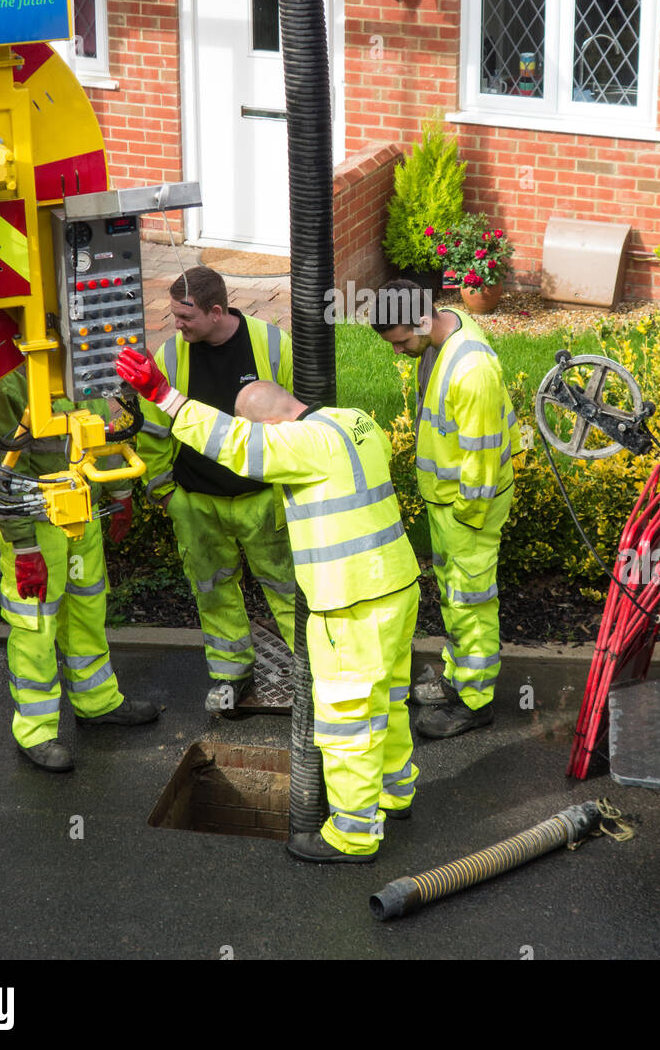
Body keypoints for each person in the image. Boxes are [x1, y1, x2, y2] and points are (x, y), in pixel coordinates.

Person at [117, 349, 421, 865]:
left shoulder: (301, 444)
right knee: (387, 698)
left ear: (274, 424)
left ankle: (352, 834)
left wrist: (162, 395)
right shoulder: (355, 421)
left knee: (347, 718)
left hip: (350, 603)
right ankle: (394, 793)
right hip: (396, 585)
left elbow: (236, 446)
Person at [135, 267, 297, 710]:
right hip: (197, 503)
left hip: (262, 500)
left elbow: (302, 418)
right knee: (213, 589)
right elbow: (153, 429)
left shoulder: (273, 345)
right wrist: (166, 492)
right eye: (174, 316)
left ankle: (315, 674)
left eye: (185, 317)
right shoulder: (171, 356)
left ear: (218, 311)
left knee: (288, 590)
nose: (177, 325)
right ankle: (231, 675)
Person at [0, 367, 159, 772]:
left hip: (84, 513)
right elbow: (1, 474)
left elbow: (102, 431)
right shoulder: (3, 386)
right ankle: (36, 731)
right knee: (36, 627)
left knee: (87, 608)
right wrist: (24, 547)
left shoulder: (76, 362)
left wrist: (118, 491)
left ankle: (97, 702)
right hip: (37, 523)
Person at [368, 280, 520, 739]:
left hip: (468, 507)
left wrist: (465, 519)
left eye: (399, 342)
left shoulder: (470, 368)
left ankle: (474, 702)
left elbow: (482, 456)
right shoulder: (442, 333)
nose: (398, 353)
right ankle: (458, 678)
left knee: (470, 602)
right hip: (450, 504)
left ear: (421, 320)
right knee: (456, 596)